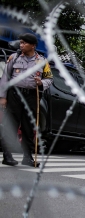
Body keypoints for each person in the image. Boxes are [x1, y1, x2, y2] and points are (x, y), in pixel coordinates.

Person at [0, 33, 53, 167]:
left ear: (33, 46)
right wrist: (3, 97)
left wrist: (41, 83)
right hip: (14, 94)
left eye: (24, 43)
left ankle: (28, 157)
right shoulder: (14, 57)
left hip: (31, 96)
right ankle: (7, 156)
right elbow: (5, 78)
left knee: (29, 127)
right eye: (21, 42)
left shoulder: (42, 61)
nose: (21, 45)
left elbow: (49, 79)